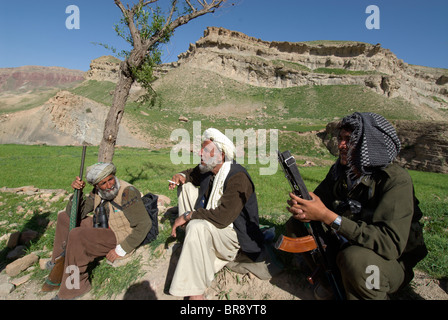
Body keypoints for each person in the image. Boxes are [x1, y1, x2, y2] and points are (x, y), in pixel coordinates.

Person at [285, 112, 427, 300]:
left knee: (356, 261)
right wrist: (304, 206)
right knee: (297, 225)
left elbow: (389, 245)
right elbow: (319, 202)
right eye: (341, 139)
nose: (341, 145)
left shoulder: (395, 181)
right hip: (352, 242)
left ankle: (367, 290)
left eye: (349, 140)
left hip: (390, 262)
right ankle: (332, 284)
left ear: (367, 144)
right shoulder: (342, 171)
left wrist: (328, 216)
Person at [168, 128, 266, 300]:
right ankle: (191, 238)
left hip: (232, 233)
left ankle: (196, 293)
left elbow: (222, 217)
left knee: (197, 225)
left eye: (206, 150)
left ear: (221, 155)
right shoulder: (209, 168)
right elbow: (192, 174)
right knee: (186, 186)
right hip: (217, 224)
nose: (200, 152)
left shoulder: (238, 177)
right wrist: (180, 175)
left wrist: (188, 215)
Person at [46, 162, 151, 300]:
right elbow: (76, 213)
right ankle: (58, 262)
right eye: (103, 183)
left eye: (111, 179)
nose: (109, 185)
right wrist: (78, 193)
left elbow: (144, 224)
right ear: (96, 186)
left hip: (119, 235)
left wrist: (121, 249)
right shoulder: (97, 192)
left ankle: (75, 287)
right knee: (64, 217)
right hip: (102, 226)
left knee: (77, 235)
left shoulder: (127, 192)